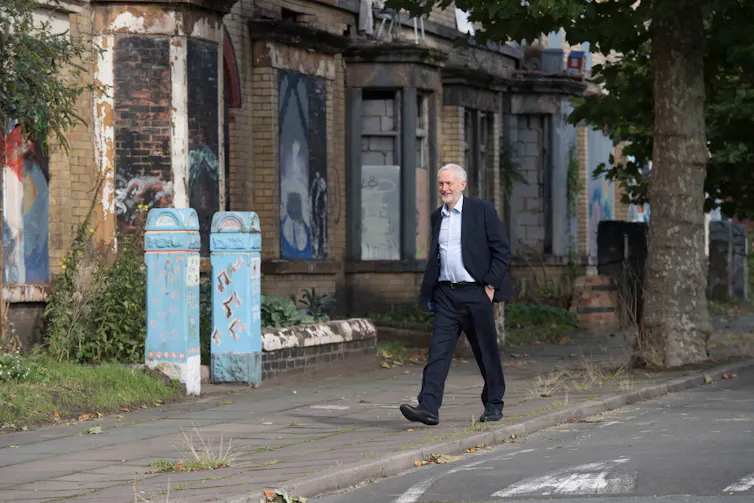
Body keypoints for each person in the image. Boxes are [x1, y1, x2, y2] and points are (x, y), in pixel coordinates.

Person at [399, 163, 515, 426]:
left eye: (449, 183)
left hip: (476, 293)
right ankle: (428, 407)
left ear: (462, 185)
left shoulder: (481, 210)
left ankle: (494, 404)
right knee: (438, 353)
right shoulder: (436, 216)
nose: (444, 188)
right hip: (446, 296)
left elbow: (502, 251)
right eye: (441, 184)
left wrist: (489, 287)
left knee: (486, 352)